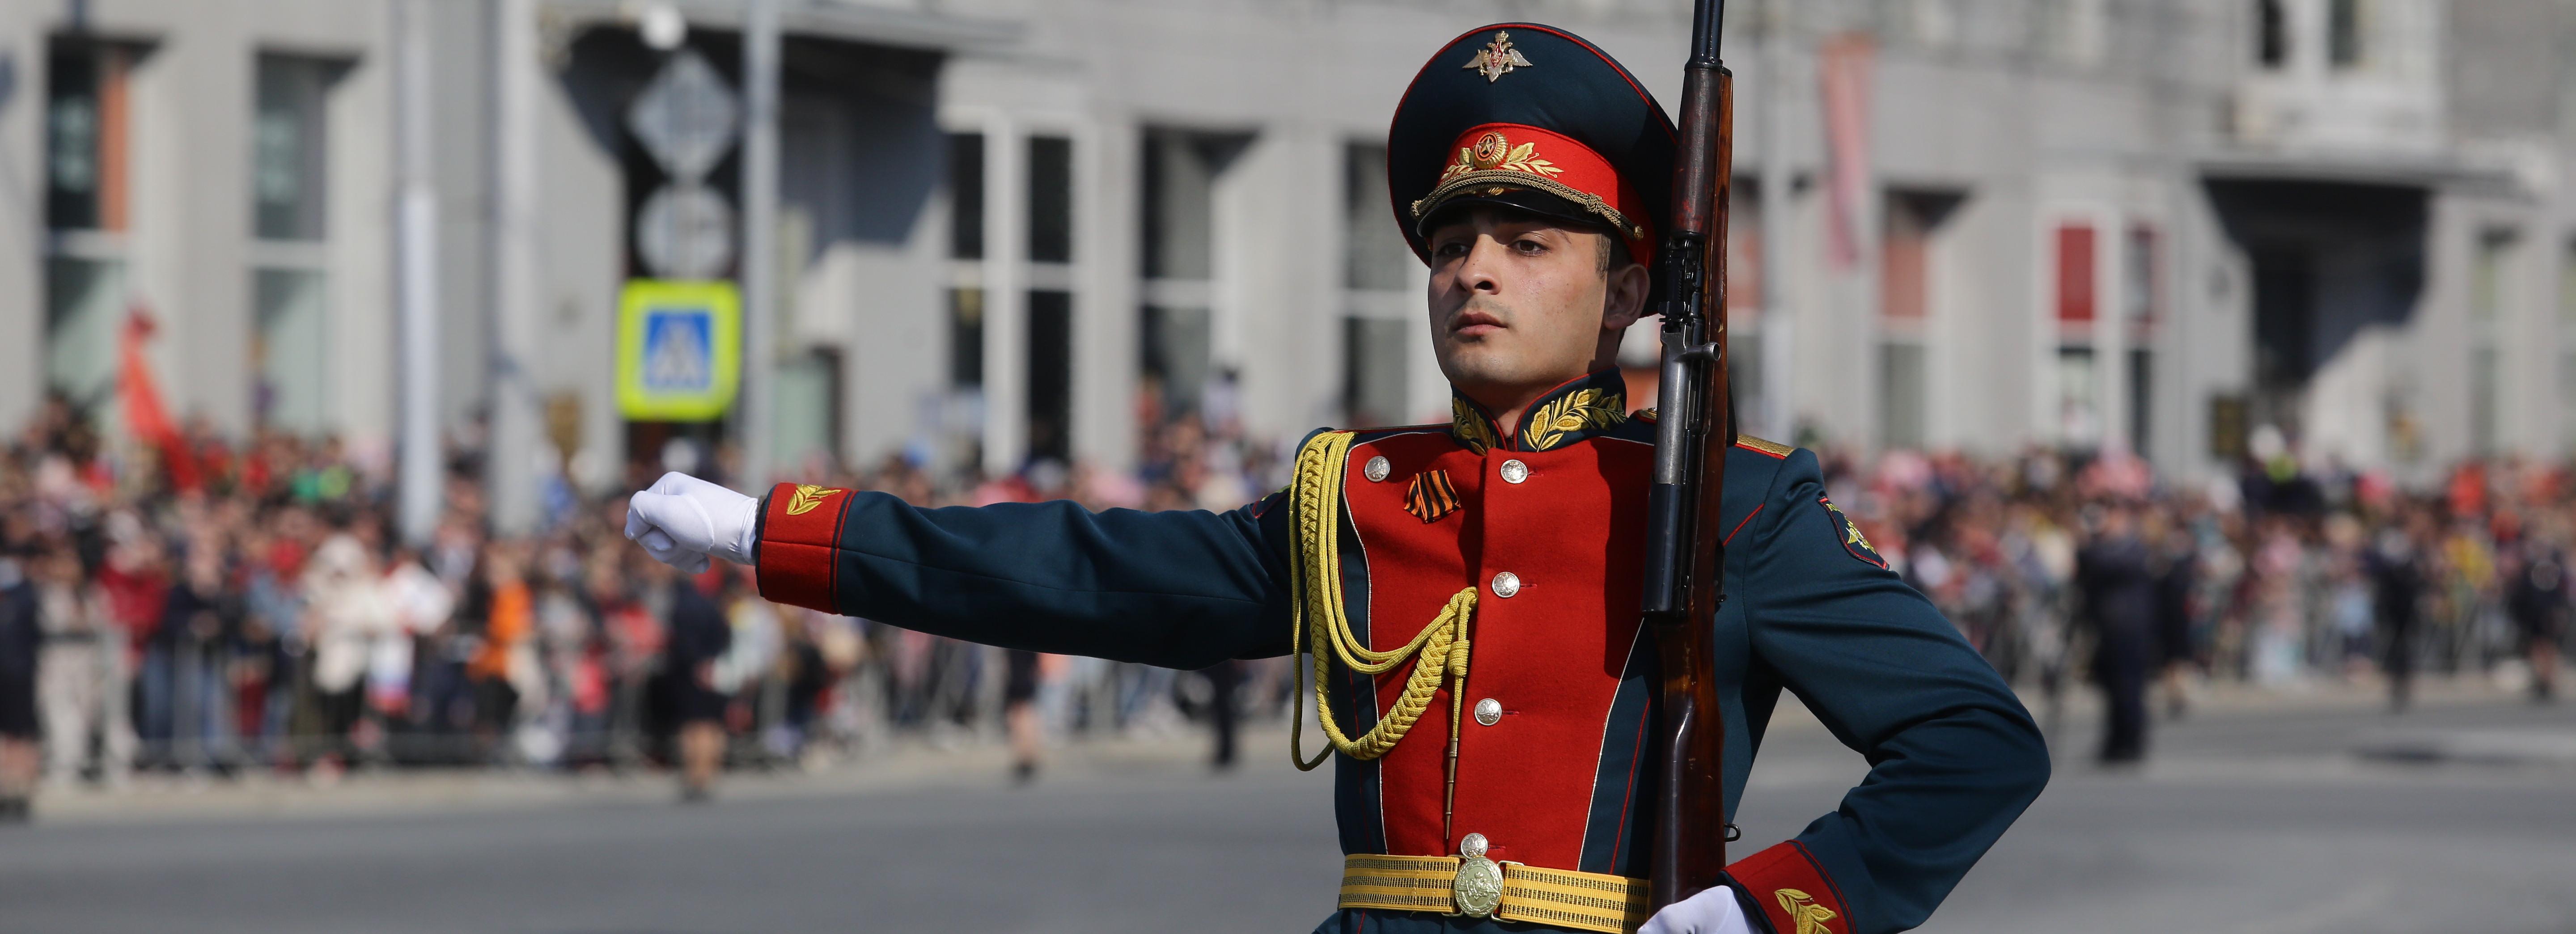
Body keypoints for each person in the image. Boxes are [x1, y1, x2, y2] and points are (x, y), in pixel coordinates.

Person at [627, 23, 2047, 934]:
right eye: (1453, 240)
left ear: (1626, 287)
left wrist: (1768, 911)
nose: (1476, 268)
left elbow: (1976, 745)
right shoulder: (1354, 496)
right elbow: (1090, 576)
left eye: (1530, 241)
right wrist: (780, 535)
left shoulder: (1728, 505)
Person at [2075, 502, 2156, 764]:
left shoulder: (2131, 547)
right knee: (2110, 688)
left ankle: (2131, 742)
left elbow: (2110, 565)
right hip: (2107, 628)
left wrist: (2093, 545)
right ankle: (2115, 741)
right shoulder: (2098, 548)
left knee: (2128, 688)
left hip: (2129, 629)